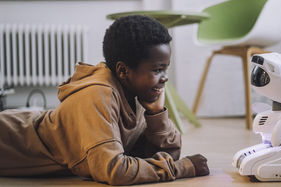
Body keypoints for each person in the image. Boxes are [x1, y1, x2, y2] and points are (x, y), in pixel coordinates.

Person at [0, 15, 209, 185]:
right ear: (123, 70)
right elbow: (115, 171)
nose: (164, 77)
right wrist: (184, 168)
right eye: (157, 69)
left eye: (165, 68)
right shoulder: (98, 95)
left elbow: (168, 154)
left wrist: (156, 114)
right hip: (10, 137)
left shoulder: (137, 94)